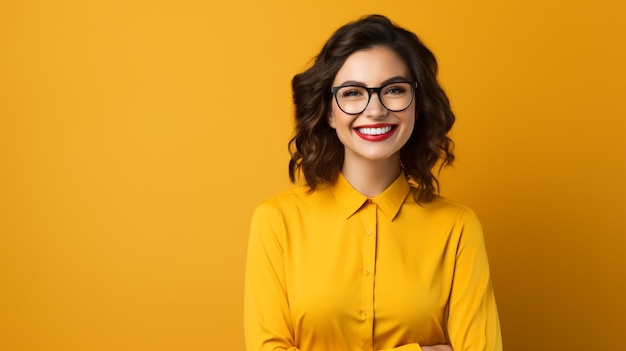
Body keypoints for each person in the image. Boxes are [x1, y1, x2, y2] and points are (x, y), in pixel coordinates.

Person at [244, 14, 502, 351]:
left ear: (417, 106)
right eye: (353, 93)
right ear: (330, 112)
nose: (375, 109)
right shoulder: (276, 222)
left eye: (394, 90)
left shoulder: (458, 228)